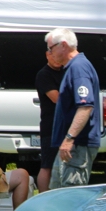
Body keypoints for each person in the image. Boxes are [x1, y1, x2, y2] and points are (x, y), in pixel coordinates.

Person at [46, 28, 101, 189]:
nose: (49, 52)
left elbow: (85, 107)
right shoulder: (73, 67)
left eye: (51, 48)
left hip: (77, 146)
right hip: (70, 146)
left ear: (63, 45)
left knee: (71, 196)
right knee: (56, 193)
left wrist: (69, 138)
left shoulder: (79, 68)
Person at [35, 51, 64, 192]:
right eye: (54, 55)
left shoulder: (66, 71)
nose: (57, 59)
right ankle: (43, 196)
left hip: (65, 127)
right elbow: (56, 98)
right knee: (47, 165)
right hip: (50, 127)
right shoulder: (44, 74)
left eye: (59, 55)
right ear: (47, 55)